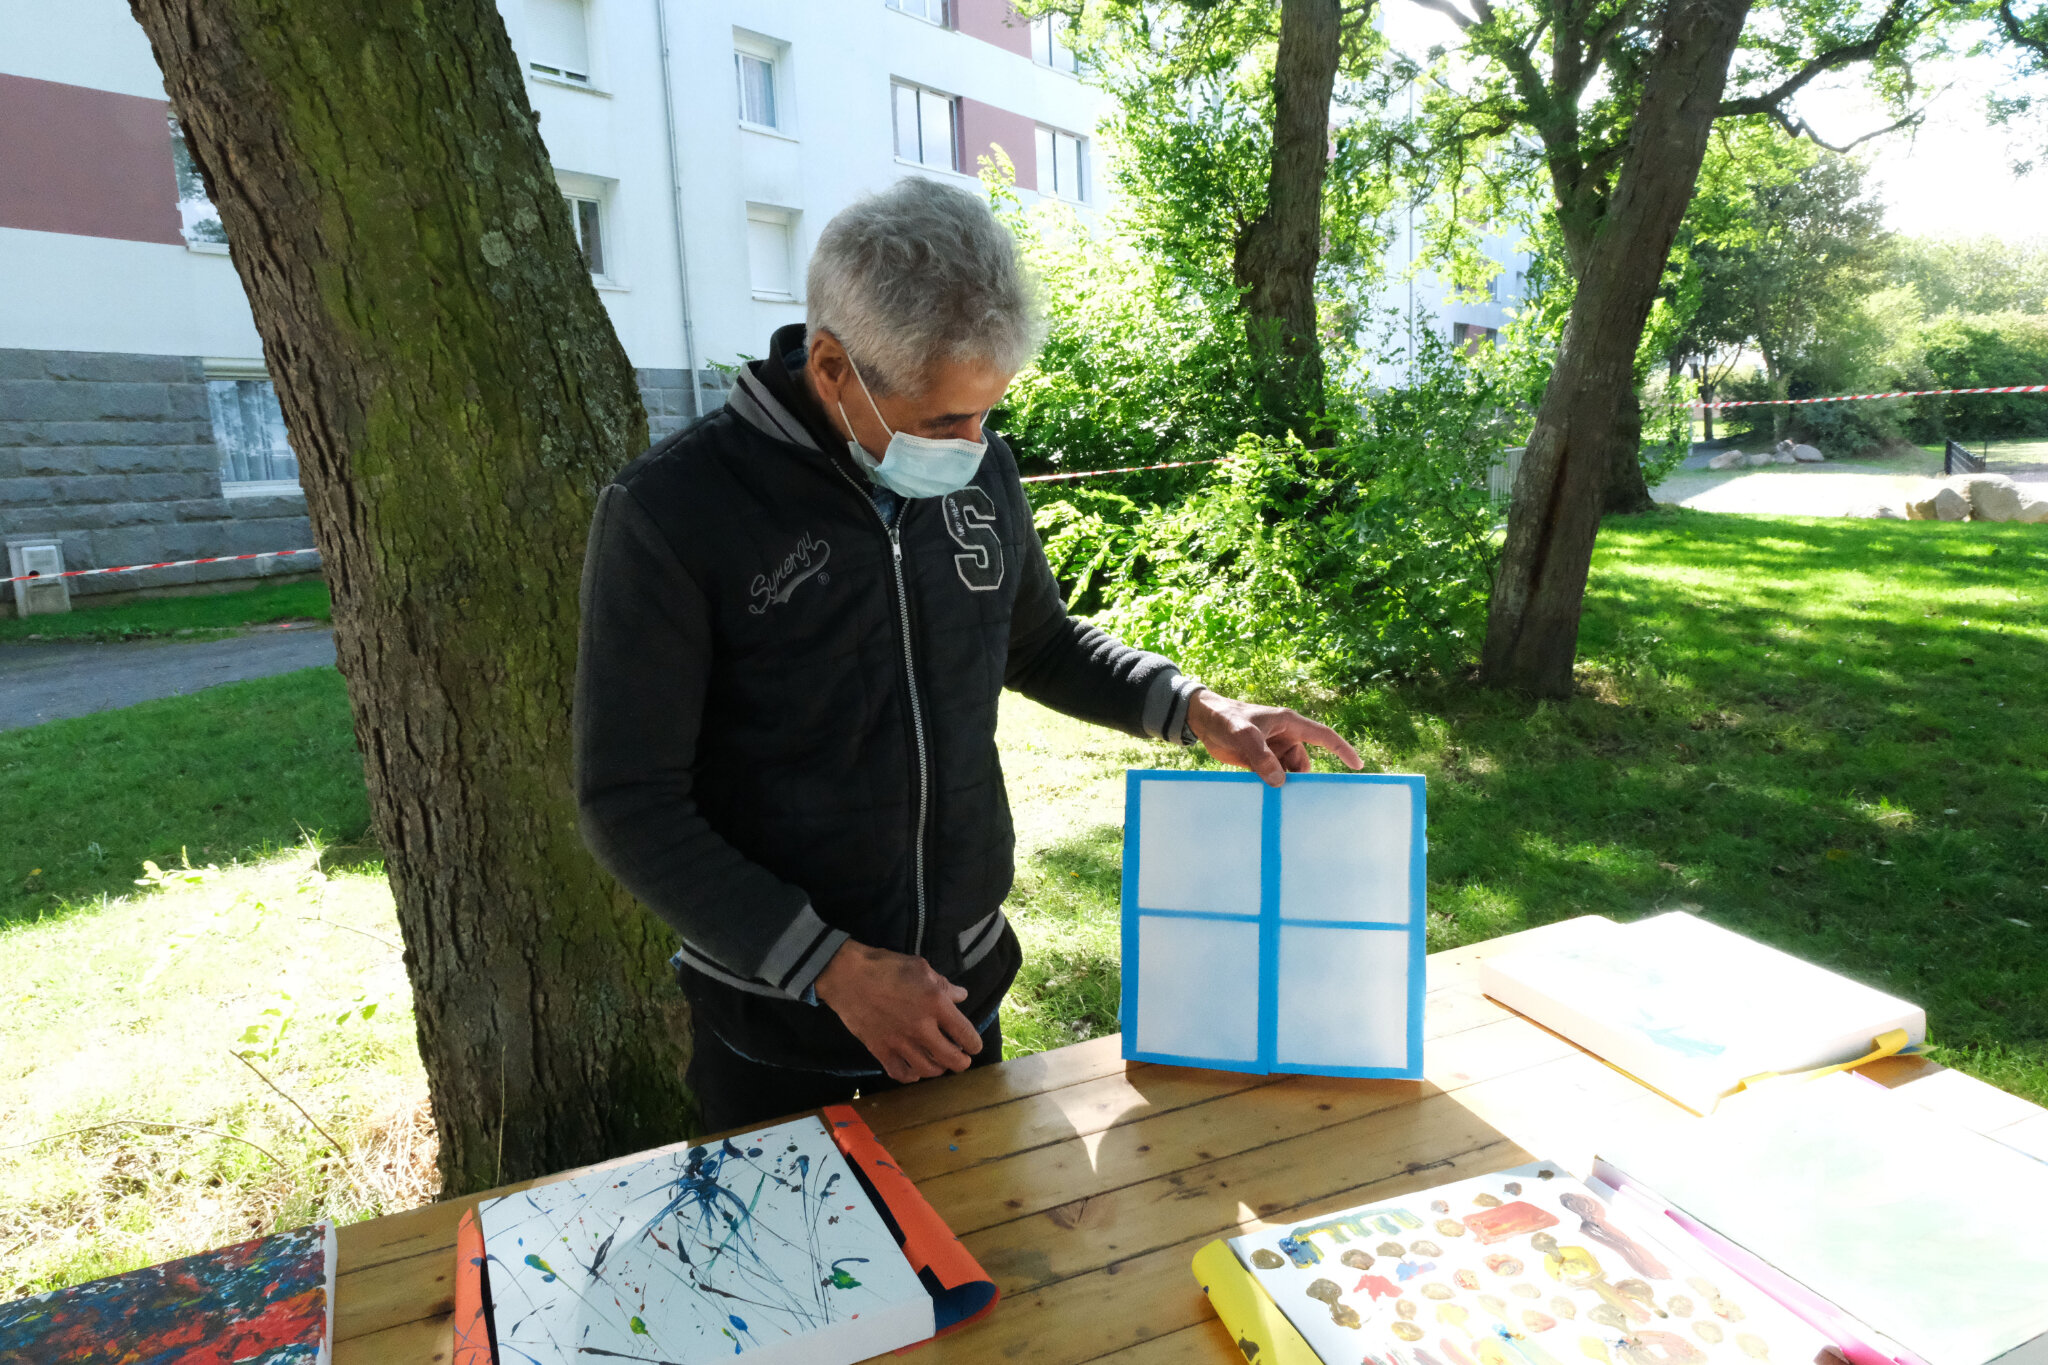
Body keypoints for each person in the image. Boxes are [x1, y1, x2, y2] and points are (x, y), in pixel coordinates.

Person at [573, 177, 1359, 1134]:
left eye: (987, 414)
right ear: (831, 369)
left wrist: (1191, 706)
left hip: (960, 995)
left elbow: (1038, 641)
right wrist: (828, 966)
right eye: (946, 420)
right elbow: (628, 798)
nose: (977, 446)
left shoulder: (981, 469)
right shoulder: (674, 513)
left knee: (985, 1272)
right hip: (777, 1027)